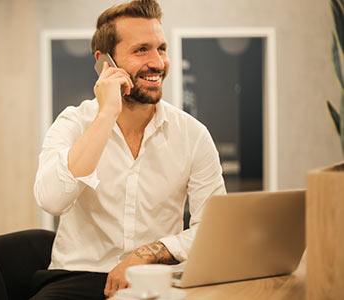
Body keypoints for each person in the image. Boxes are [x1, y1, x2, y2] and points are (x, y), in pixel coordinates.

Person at [32, 0, 226, 299]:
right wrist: (106, 114)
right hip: (78, 279)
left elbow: (213, 230)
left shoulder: (193, 135)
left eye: (161, 48)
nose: (158, 63)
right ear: (105, 61)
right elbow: (52, 201)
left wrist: (146, 255)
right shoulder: (73, 122)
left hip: (157, 278)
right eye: (141, 50)